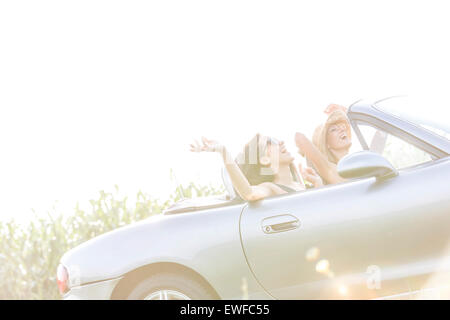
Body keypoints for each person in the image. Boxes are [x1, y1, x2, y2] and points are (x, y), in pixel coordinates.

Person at [190, 134, 305, 201]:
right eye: (271, 142)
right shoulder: (270, 188)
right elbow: (249, 193)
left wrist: (318, 182)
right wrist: (223, 152)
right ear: (264, 160)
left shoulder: (299, 185)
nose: (280, 142)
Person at [295, 104, 352, 185]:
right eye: (333, 129)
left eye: (342, 126)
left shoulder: (352, 164)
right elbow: (299, 138)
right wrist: (328, 121)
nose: (342, 129)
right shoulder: (332, 170)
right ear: (326, 144)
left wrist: (343, 113)